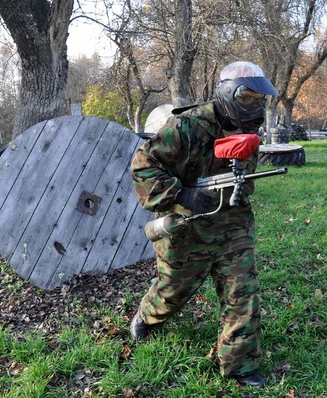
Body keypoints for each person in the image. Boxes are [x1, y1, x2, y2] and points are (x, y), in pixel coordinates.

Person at [129, 61, 277, 388]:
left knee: (243, 291)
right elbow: (143, 166)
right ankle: (147, 315)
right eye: (249, 98)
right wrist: (184, 194)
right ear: (228, 94)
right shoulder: (186, 127)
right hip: (186, 224)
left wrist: (235, 188)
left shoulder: (247, 131)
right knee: (172, 293)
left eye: (259, 100)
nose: (255, 106)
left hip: (231, 223)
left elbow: (244, 180)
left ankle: (239, 364)